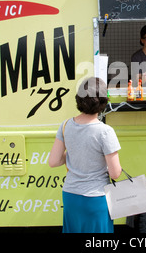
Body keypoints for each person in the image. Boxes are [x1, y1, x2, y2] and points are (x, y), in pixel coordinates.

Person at [49, 77, 122, 233]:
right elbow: (115, 172)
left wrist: (72, 156)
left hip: (71, 195)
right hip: (97, 198)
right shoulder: (105, 131)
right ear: (103, 101)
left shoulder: (65, 125)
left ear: (79, 99)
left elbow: (53, 161)